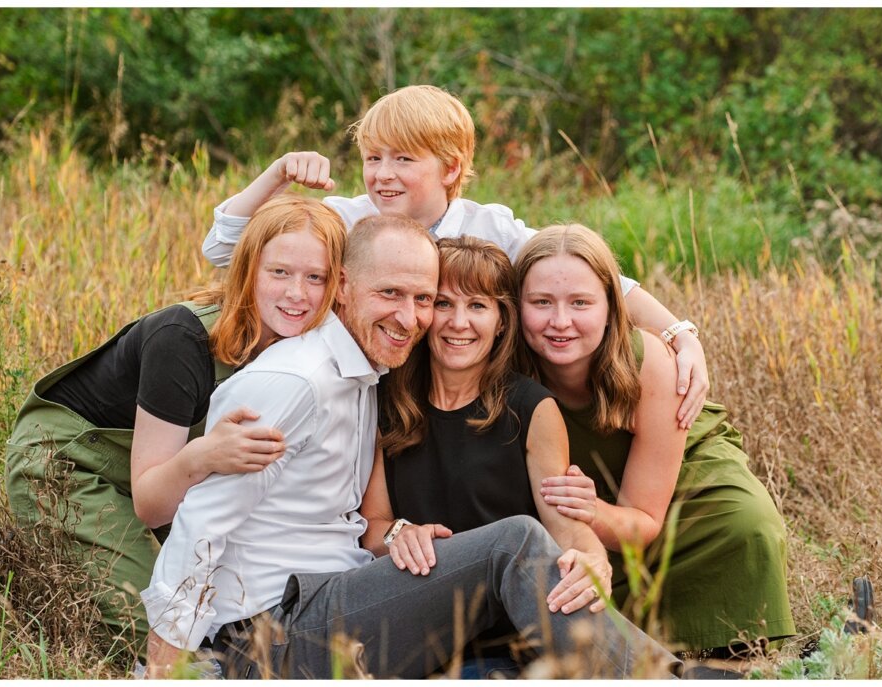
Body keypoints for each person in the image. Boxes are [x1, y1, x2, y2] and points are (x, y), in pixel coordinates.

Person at [141, 215, 680, 680]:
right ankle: (668, 679)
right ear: (345, 285)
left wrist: (589, 553)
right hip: (269, 635)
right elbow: (199, 527)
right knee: (510, 545)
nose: (412, 316)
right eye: (391, 294)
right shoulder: (297, 382)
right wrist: (166, 672)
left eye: (422, 298)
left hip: (337, 598)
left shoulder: (367, 375)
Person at [200, 84, 709, 430]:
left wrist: (679, 333)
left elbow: (597, 282)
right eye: (373, 158)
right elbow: (225, 250)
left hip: (456, 390)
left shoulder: (489, 227)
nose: (382, 174)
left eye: (403, 159)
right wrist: (277, 176)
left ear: (450, 167)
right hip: (366, 392)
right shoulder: (349, 219)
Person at [4, 195, 347, 655]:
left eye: (316, 277)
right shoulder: (181, 341)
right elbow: (152, 504)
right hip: (68, 460)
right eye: (279, 272)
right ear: (247, 270)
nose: (297, 293)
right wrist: (201, 457)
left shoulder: (308, 352)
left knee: (216, 604)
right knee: (153, 625)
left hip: (164, 464)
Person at [514, 224, 796, 656]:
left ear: (612, 307)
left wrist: (593, 511)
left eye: (581, 303)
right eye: (541, 303)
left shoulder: (646, 362)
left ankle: (732, 652)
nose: (560, 321)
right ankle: (630, 647)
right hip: (585, 493)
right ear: (516, 306)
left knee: (746, 525)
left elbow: (643, 518)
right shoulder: (507, 365)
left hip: (674, 471)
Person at [359, 236, 609, 677]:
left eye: (477, 305)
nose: (458, 323)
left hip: (503, 638)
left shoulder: (532, 408)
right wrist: (399, 533)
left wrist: (595, 559)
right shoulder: (385, 399)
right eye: (442, 304)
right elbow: (372, 527)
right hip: (418, 629)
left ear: (501, 321)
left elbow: (568, 530)